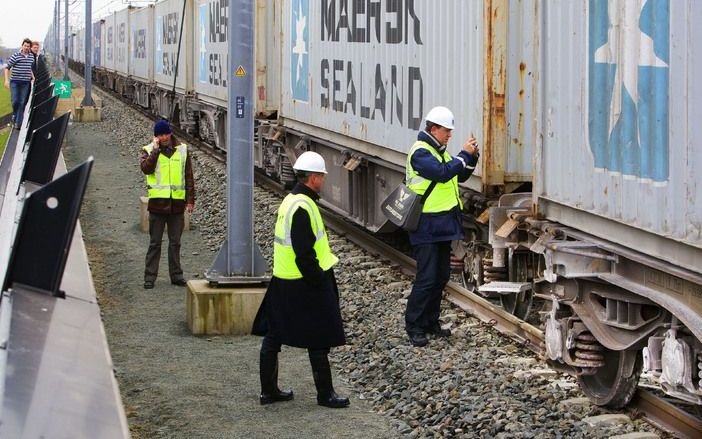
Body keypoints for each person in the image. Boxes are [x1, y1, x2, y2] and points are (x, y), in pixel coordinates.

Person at [252, 151, 349, 409]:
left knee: (273, 334)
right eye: (322, 176)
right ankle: (325, 394)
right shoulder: (303, 207)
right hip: (303, 282)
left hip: (283, 279)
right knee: (319, 336)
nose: (324, 181)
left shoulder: (290, 201)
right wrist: (318, 279)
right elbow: (304, 253)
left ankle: (269, 391)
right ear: (314, 178)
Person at [404, 106, 480, 347]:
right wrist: (463, 155)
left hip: (442, 224)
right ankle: (414, 325)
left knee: (440, 276)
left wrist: (472, 158)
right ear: (433, 128)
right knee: (427, 277)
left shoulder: (439, 151)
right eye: (446, 131)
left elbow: (459, 176)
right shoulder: (421, 153)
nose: (449, 135)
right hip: (426, 224)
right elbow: (443, 174)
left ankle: (430, 322)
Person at [140, 119, 195, 289]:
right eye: (159, 135)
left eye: (165, 134)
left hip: (176, 205)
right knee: (155, 243)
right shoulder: (148, 150)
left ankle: (176, 275)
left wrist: (190, 200)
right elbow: (146, 169)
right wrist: (155, 151)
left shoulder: (182, 150)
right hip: (157, 205)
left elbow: (188, 177)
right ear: (155, 137)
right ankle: (150, 277)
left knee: (175, 243)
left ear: (170, 133)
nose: (163, 137)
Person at [4, 38, 35, 130]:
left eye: (28, 46)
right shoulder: (16, 56)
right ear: (22, 46)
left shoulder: (31, 57)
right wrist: (6, 80)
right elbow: (7, 68)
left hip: (25, 83)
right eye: (25, 45)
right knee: (15, 101)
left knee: (22, 102)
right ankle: (14, 115)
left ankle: (18, 123)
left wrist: (33, 77)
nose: (26, 47)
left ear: (30, 48)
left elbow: (28, 68)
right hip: (15, 82)